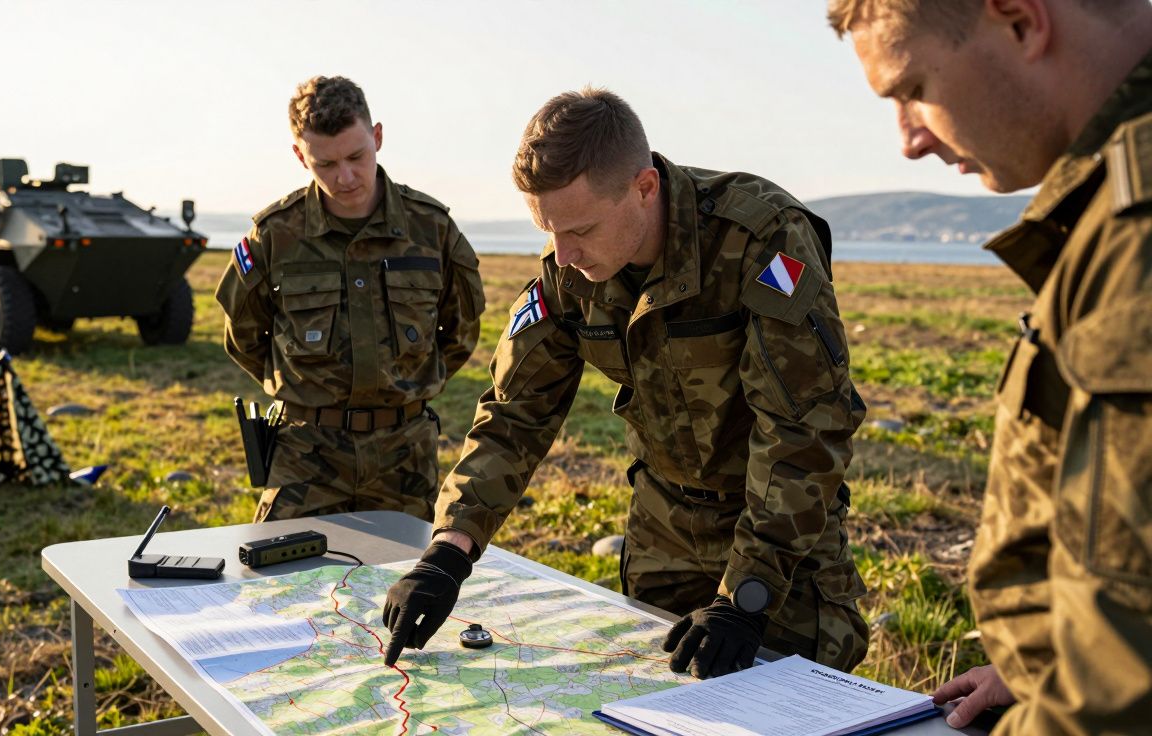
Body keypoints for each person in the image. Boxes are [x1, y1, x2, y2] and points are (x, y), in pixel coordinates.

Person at [381, 87, 871, 679]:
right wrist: (446, 555)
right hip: (660, 536)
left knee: (792, 709)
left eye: (580, 229)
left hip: (780, 542)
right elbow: (514, 416)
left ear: (644, 187)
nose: (562, 255)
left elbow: (804, 431)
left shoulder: (761, 239)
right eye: (548, 230)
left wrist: (746, 595)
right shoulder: (569, 269)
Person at [830, 0, 1152, 731]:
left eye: (911, 89)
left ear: (1019, 19)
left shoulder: (1141, 226)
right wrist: (1040, 662)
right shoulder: (1111, 205)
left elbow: (1125, 690)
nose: (909, 139)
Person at [215, 76, 485, 523]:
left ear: (377, 136)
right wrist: (307, 390)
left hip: (404, 454)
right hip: (306, 453)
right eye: (325, 164)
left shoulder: (431, 228)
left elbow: (460, 331)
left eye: (357, 156)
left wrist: (405, 385)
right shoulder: (275, 234)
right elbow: (243, 336)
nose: (345, 177)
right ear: (300, 156)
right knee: (284, 586)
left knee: (403, 584)